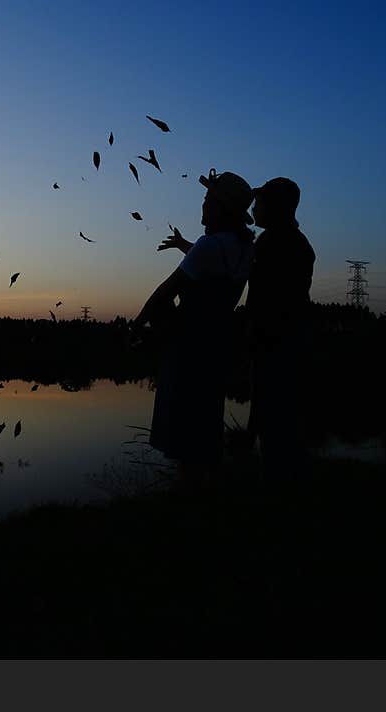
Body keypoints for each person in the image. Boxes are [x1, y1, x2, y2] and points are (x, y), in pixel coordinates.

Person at [134, 168, 255, 488]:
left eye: (206, 199)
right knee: (205, 424)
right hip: (216, 345)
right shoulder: (243, 248)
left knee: (183, 431)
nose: (202, 205)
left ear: (218, 207)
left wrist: (135, 326)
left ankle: (188, 504)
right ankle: (206, 498)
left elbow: (166, 291)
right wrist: (184, 244)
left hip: (187, 346)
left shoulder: (209, 246)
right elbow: (212, 262)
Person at [245, 177, 316, 484]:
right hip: (285, 343)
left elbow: (267, 300)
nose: (253, 207)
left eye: (259, 202)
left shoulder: (275, 243)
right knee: (280, 426)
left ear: (274, 207)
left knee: (276, 426)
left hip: (277, 345)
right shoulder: (288, 240)